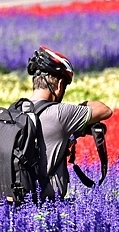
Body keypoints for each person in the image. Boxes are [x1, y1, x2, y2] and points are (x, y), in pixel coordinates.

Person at [26, 46, 113, 201]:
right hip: (48, 206)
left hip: (13, 203)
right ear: (59, 84)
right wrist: (79, 109)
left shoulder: (15, 111)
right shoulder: (60, 114)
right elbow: (105, 110)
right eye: (65, 86)